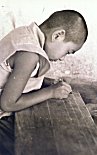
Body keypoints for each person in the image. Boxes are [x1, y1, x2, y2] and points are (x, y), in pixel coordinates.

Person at [0, 10, 88, 154]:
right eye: (68, 51)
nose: (62, 58)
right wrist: (51, 92)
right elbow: (7, 103)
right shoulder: (30, 54)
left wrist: (50, 83)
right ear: (58, 35)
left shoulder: (25, 33)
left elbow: (19, 77)